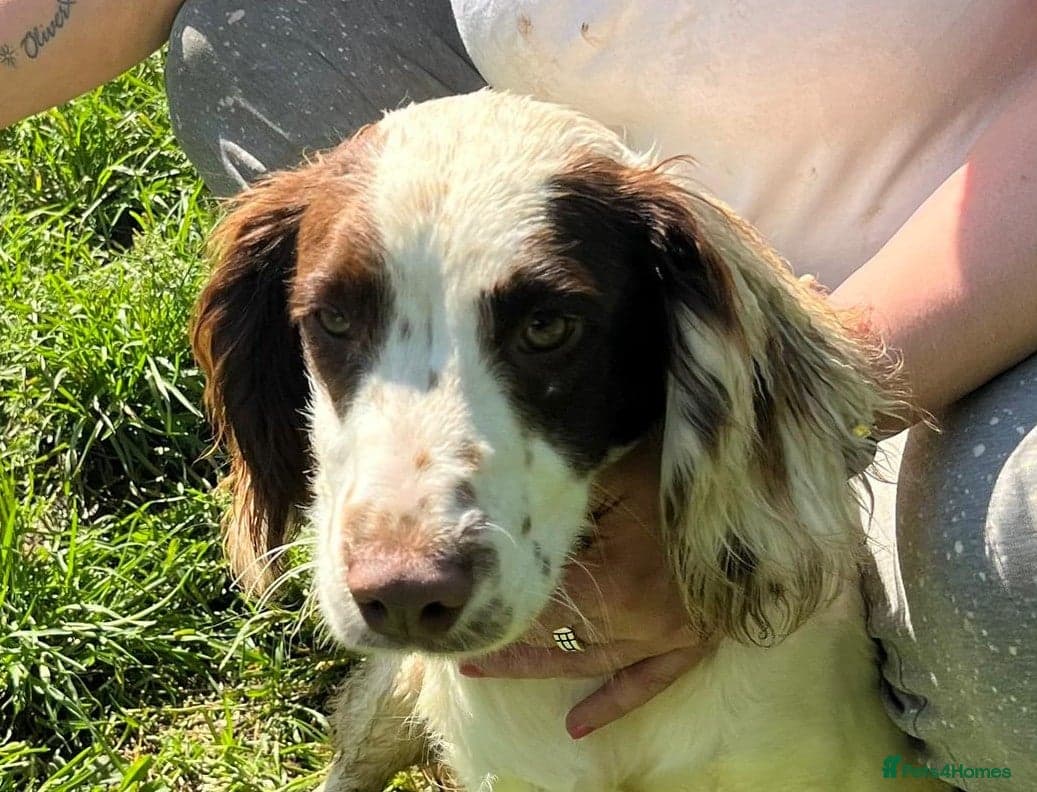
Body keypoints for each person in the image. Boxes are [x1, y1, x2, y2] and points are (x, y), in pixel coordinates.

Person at [3, 1, 1035, 787]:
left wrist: (742, 482)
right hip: (653, 239)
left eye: (541, 327)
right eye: (338, 323)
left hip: (968, 293)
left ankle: (912, 640)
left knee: (1014, 566)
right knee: (250, 30)